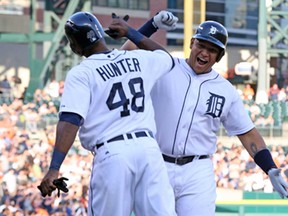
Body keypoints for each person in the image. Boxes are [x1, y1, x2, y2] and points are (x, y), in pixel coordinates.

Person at [122, 15, 288, 215]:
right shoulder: (165, 65)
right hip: (157, 164)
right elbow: (126, 53)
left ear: (219, 56)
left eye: (212, 50)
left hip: (197, 171)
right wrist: (152, 25)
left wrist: (269, 167)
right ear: (192, 43)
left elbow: (247, 133)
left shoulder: (226, 90)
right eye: (201, 45)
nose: (204, 53)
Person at [37, 11, 179, 216]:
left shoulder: (81, 73)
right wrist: (133, 31)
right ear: (100, 34)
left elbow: (70, 120)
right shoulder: (137, 59)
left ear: (75, 46)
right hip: (149, 151)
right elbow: (164, 57)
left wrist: (54, 167)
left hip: (113, 154)